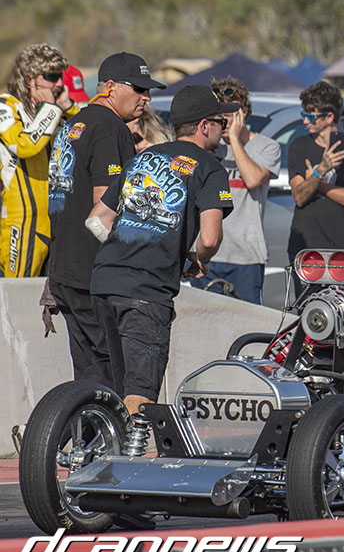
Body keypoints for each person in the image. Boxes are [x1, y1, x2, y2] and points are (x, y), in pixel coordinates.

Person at [88, 85, 235, 413]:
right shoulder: (210, 167)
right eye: (220, 122)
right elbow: (210, 239)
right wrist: (199, 260)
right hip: (146, 291)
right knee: (140, 392)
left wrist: (133, 244)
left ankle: (96, 437)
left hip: (104, 281)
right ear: (204, 126)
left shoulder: (144, 158)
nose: (224, 129)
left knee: (112, 385)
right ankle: (132, 446)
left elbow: (97, 218)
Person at [46, 51, 164, 388]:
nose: (146, 97)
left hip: (64, 271)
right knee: (112, 370)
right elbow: (104, 209)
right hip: (93, 275)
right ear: (110, 87)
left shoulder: (74, 124)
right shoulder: (111, 129)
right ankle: (101, 421)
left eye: (148, 89)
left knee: (87, 373)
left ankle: (83, 422)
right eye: (138, 88)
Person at [188, 78, 280, 304]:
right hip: (206, 255)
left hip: (245, 257)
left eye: (228, 116)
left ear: (243, 113)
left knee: (246, 322)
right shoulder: (208, 147)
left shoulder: (267, 146)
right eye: (218, 115)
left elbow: (253, 180)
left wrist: (235, 141)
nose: (223, 122)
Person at [1, 43, 79, 277]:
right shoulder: (6, 106)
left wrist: (67, 107)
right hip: (22, 219)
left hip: (57, 217)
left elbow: (86, 137)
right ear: (29, 79)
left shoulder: (55, 109)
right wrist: (51, 109)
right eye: (51, 77)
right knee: (17, 291)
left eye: (60, 77)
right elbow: (25, 146)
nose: (59, 83)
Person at [287, 81, 344, 293]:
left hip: (341, 251)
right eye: (303, 115)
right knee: (307, 308)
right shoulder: (299, 147)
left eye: (311, 116)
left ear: (329, 117)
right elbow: (299, 197)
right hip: (305, 248)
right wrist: (321, 170)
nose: (305, 121)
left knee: (341, 307)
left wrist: (318, 183)